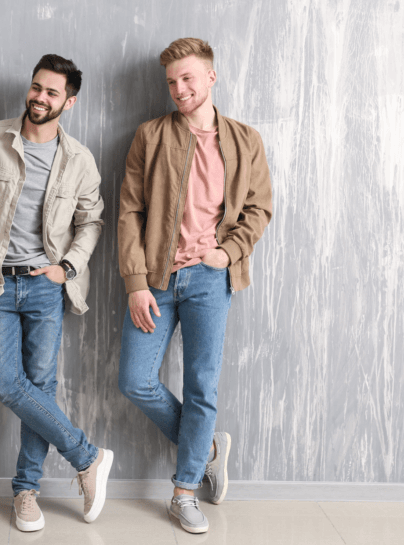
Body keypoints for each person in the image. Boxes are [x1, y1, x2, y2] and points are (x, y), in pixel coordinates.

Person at [0, 54, 113, 533]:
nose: (40, 97)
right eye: (37, 87)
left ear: (70, 101)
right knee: (7, 382)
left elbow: (92, 222)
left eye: (52, 92)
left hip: (44, 286)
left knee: (40, 388)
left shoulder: (79, 159)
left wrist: (66, 268)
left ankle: (25, 491)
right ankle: (87, 457)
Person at [117, 38, 272, 534]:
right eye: (171, 82)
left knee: (202, 386)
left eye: (188, 79)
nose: (179, 90)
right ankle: (205, 447)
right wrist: (136, 283)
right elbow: (130, 210)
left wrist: (227, 253)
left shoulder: (246, 140)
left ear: (211, 77)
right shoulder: (151, 135)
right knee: (134, 379)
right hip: (157, 280)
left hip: (210, 278)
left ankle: (184, 492)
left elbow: (259, 208)